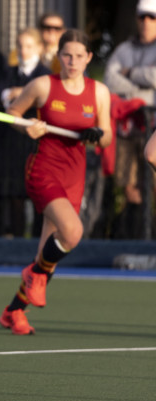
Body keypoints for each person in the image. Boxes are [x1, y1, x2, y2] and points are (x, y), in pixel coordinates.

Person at [0, 29, 112, 335]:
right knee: (72, 233)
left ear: (88, 58)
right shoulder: (43, 85)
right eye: (67, 55)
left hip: (74, 174)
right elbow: (13, 113)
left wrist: (97, 135)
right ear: (59, 56)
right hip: (44, 169)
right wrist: (27, 127)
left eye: (79, 56)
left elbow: (107, 137)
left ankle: (13, 311)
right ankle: (34, 272)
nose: (72, 62)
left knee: (49, 254)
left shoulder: (99, 92)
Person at [0, 27, 51, 237]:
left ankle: (37, 241)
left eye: (29, 46)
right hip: (12, 142)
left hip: (37, 143)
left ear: (39, 48)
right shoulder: (10, 72)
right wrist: (9, 93)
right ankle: (17, 241)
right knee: (15, 194)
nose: (24, 51)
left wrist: (21, 94)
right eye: (20, 46)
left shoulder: (45, 74)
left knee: (38, 195)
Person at [104, 0, 156, 237]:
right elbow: (110, 79)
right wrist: (142, 88)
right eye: (142, 16)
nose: (146, 22)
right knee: (130, 187)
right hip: (128, 129)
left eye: (152, 17)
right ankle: (135, 239)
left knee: (153, 185)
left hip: (151, 126)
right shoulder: (123, 49)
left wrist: (130, 73)